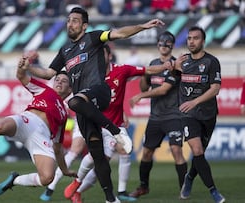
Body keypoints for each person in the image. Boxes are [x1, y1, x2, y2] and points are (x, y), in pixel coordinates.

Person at [27, 7, 165, 203]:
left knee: (73, 101)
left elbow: (119, 33)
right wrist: (28, 67)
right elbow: (49, 73)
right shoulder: (65, 50)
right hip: (85, 108)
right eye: (68, 20)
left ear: (84, 25)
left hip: (98, 92)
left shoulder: (93, 38)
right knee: (97, 155)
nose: (70, 23)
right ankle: (111, 199)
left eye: (75, 20)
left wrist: (142, 26)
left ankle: (114, 130)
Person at [0, 57, 77, 198]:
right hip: (27, 121)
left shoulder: (64, 115)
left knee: (47, 178)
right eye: (57, 79)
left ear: (70, 89)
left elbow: (58, 148)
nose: (59, 81)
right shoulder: (45, 90)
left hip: (42, 137)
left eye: (64, 81)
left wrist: (65, 170)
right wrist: (21, 67)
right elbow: (21, 76)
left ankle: (14, 181)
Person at [62, 43, 173, 203]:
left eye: (102, 55)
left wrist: (164, 66)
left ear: (109, 56)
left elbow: (146, 70)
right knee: (98, 159)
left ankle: (113, 190)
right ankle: (78, 184)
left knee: (122, 153)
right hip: (98, 123)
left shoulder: (121, 70)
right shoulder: (89, 75)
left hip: (116, 124)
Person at [128, 31, 188, 199]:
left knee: (176, 150)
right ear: (158, 44)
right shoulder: (153, 64)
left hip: (173, 116)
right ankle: (143, 187)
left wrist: (140, 96)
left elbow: (163, 90)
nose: (163, 45)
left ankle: (184, 188)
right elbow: (143, 87)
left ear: (172, 45)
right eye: (161, 42)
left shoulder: (177, 66)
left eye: (167, 43)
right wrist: (145, 74)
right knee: (146, 153)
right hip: (155, 117)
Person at [175, 26, 225, 203]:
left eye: (195, 38)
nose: (191, 41)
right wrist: (174, 68)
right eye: (189, 38)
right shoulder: (182, 62)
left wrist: (195, 101)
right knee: (196, 149)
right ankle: (213, 191)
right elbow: (171, 82)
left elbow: (216, 88)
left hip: (208, 114)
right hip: (188, 114)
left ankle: (189, 178)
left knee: (200, 154)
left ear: (203, 41)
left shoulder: (212, 62)